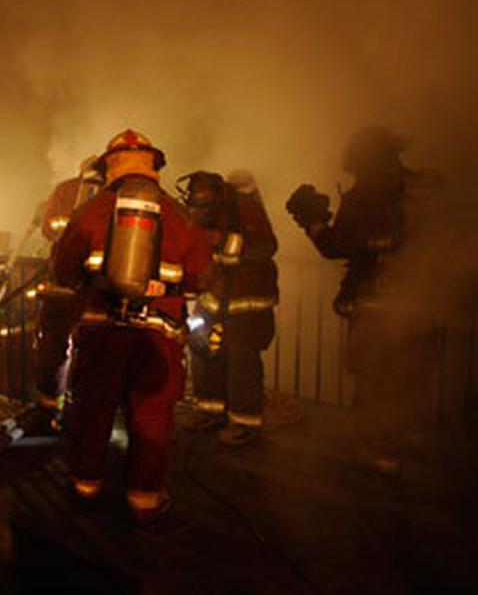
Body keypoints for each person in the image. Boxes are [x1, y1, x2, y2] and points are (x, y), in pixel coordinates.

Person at [51, 129, 210, 524]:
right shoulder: (180, 214)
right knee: (152, 418)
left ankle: (85, 487)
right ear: (154, 164)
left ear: (110, 166)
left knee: (93, 410)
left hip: (102, 330)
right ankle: (144, 499)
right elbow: (201, 277)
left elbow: (63, 270)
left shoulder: (91, 210)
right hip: (159, 336)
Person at [286, 125, 438, 474]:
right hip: (421, 299)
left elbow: (336, 245)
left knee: (375, 376)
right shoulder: (420, 187)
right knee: (411, 372)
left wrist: (313, 222)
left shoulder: (365, 195)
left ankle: (378, 448)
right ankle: (408, 434)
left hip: (376, 304)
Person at [180, 170, 278, 446]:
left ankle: (245, 423)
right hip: (214, 298)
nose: (198, 209)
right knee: (203, 347)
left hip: (246, 300)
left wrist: (221, 243)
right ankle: (210, 411)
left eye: (202, 203)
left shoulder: (246, 210)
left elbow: (266, 247)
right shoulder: (210, 215)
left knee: (241, 359)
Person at [34, 155, 102, 415]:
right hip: (95, 287)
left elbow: (48, 230)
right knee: (92, 346)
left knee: (53, 343)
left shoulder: (64, 189)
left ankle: (50, 405)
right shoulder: (112, 194)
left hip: (61, 281)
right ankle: (85, 403)